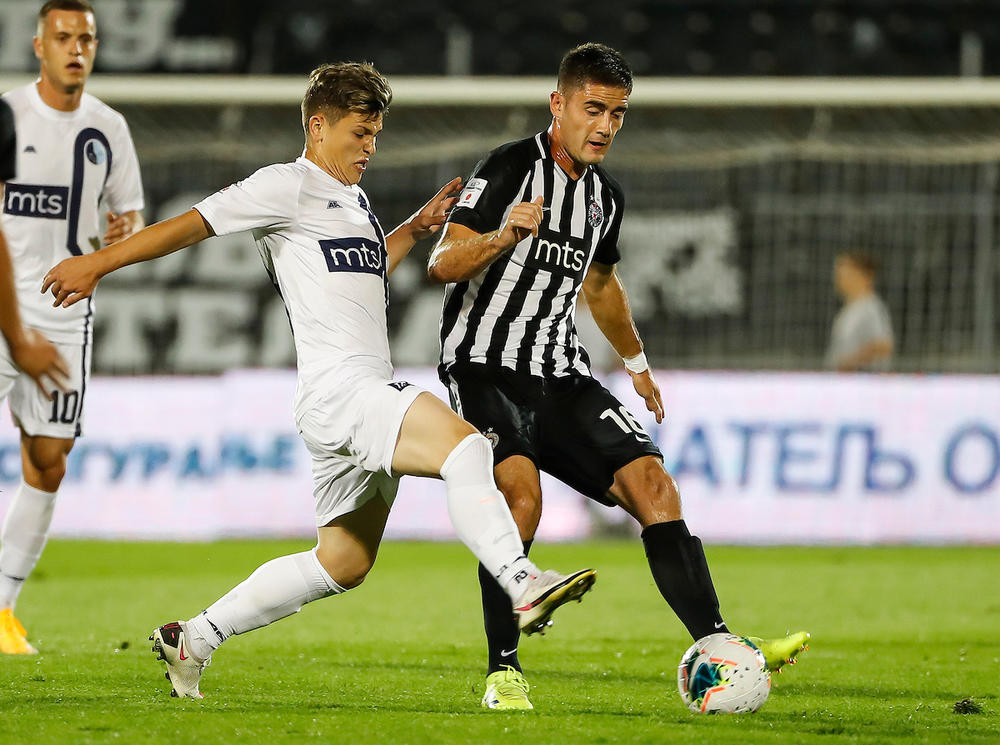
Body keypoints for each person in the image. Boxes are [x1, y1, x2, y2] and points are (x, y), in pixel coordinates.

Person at [42, 61, 595, 700]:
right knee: (467, 447)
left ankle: (195, 637)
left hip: (342, 399)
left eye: (376, 135)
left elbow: (362, 274)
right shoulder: (285, 185)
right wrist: (97, 264)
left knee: (344, 562)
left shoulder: (352, 201)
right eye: (359, 133)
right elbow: (190, 225)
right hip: (345, 390)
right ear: (317, 126)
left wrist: (413, 231)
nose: (370, 147)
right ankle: (521, 583)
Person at [428, 43, 809, 710]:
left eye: (618, 113)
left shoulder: (605, 197)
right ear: (559, 104)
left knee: (654, 486)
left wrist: (637, 365)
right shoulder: (510, 167)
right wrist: (503, 236)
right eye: (593, 108)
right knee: (520, 498)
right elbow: (443, 262)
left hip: (562, 374)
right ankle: (503, 672)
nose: (605, 125)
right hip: (486, 367)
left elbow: (601, 286)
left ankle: (721, 646)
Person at [0, 0, 145, 655]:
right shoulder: (7, 115)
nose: (75, 48)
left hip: (62, 314)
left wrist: (123, 231)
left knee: (49, 459)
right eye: (62, 37)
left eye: (85, 38)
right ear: (39, 46)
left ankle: (3, 609)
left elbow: (130, 215)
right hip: (2, 302)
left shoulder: (109, 127)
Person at [826, 251, 894, 372]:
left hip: (863, 380)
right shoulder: (850, 309)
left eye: (845, 274)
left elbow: (883, 346)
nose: (838, 280)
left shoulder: (871, 307)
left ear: (863, 276)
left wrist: (849, 363)